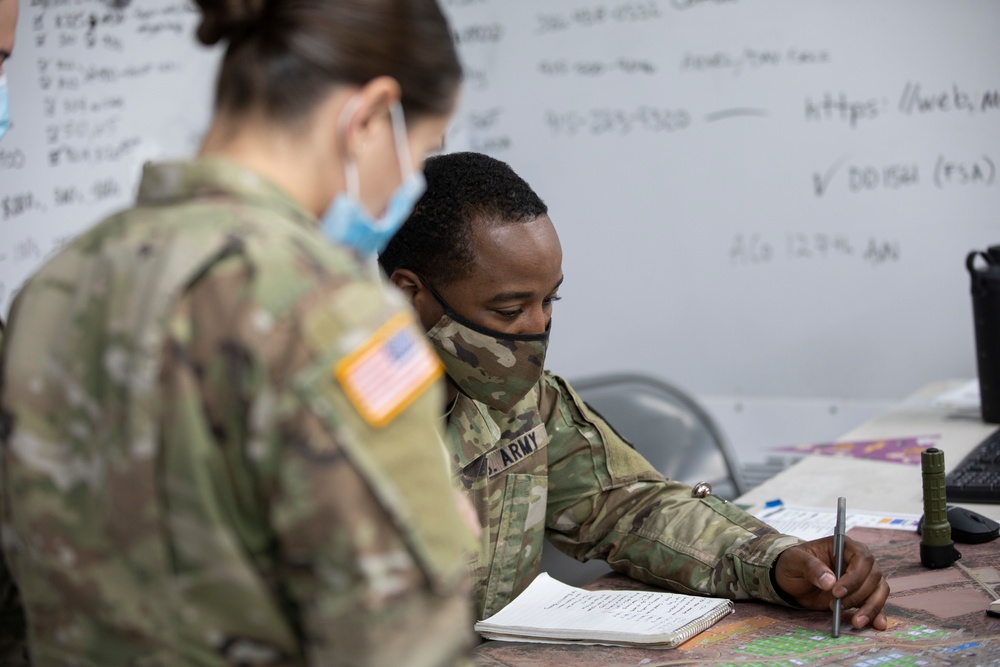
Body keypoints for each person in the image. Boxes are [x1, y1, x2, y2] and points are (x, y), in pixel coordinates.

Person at [0, 1, 477, 665]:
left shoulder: (53, 286)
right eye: (421, 150)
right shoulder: (328, 311)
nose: (409, 180)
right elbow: (400, 642)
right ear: (369, 117)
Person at [378, 151, 890, 629]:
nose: (537, 328)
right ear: (410, 295)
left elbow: (628, 505)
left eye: (550, 301)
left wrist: (776, 563)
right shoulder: (333, 433)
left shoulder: (525, 404)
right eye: (510, 311)